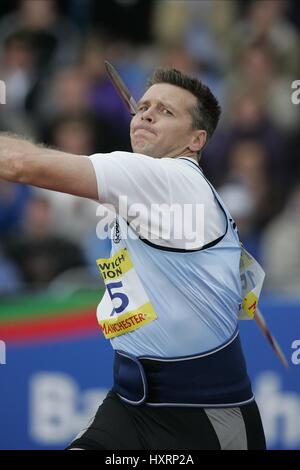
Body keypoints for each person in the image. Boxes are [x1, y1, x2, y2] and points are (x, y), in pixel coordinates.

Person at [0, 68, 266, 450]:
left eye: (165, 111)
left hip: (203, 417)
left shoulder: (166, 180)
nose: (146, 114)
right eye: (142, 107)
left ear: (196, 139)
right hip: (129, 403)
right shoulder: (161, 185)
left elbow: (19, 165)